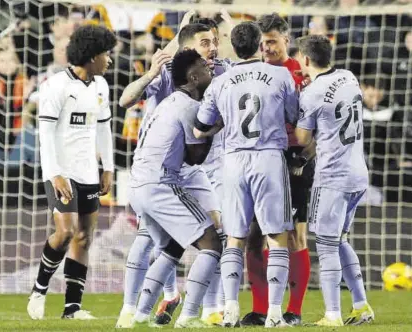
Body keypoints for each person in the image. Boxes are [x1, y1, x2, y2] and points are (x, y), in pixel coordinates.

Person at [116, 19, 231, 327]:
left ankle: (201, 310)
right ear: (189, 53)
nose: (213, 49)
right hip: (167, 175)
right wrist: (212, 128)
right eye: (205, 43)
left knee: (180, 242)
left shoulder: (220, 70)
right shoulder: (170, 76)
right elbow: (126, 100)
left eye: (215, 41)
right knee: (206, 242)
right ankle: (175, 313)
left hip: (157, 173)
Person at [194, 21, 299, 328]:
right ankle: (276, 314)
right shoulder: (280, 75)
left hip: (232, 161)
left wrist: (222, 124)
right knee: (277, 237)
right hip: (268, 158)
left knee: (235, 239)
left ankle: (229, 310)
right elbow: (294, 115)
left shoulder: (220, 82)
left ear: (233, 46)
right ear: (258, 44)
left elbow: (200, 128)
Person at [27, 25, 116, 320]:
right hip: (60, 172)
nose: (109, 60)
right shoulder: (55, 86)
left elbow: (103, 128)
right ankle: (39, 291)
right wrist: (55, 174)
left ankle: (72, 308)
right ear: (91, 56)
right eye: (106, 54)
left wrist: (108, 167)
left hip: (88, 171)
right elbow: (45, 134)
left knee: (84, 238)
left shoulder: (101, 86)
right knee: (64, 232)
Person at [240, 13, 315, 327]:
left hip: (294, 159)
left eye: (271, 41)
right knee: (254, 236)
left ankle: (294, 310)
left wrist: (304, 157)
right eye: (262, 42)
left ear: (286, 40)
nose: (266, 47)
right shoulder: (251, 72)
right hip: (258, 160)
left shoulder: (301, 73)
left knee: (294, 236)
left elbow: (316, 123)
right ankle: (259, 308)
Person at [295, 35, 374, 326]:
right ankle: (361, 304)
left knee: (326, 245)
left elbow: (303, 139)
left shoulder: (312, 93)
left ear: (305, 59)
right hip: (358, 172)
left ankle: (332, 314)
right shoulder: (348, 77)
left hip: (332, 176)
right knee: (340, 240)